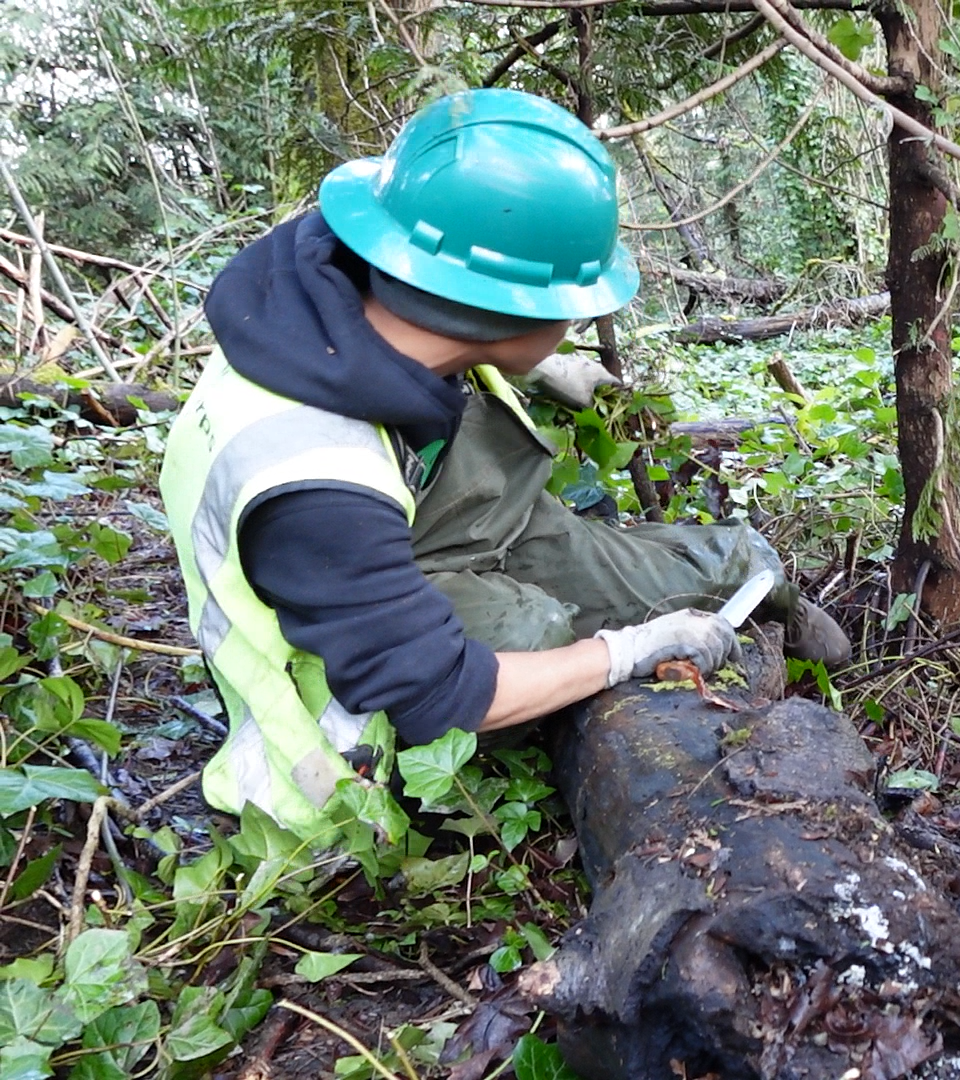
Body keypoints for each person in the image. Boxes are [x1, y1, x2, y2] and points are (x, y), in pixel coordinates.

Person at [159, 89, 849, 838]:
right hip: (345, 699)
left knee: (731, 562)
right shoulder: (315, 479)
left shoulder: (355, 280)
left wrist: (527, 369)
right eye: (569, 306)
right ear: (508, 313)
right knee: (535, 630)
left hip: (449, 526)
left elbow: (445, 300)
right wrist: (626, 652)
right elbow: (442, 693)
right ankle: (552, 644)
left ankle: (787, 610)